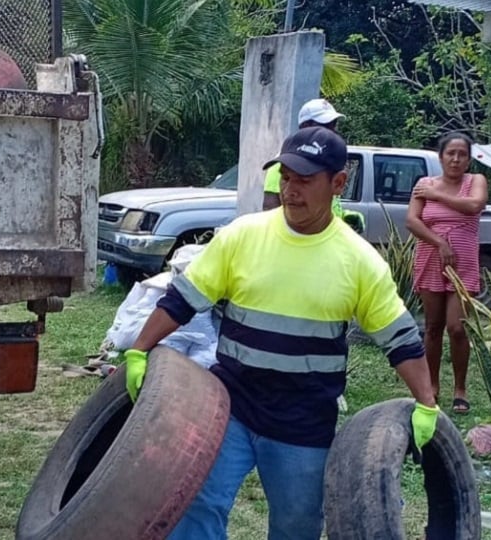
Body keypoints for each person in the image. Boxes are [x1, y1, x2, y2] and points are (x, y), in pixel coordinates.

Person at [123, 126, 438, 540]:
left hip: (303, 422)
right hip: (230, 406)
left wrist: (427, 404)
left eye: (305, 180)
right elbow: (182, 299)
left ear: (338, 183)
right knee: (196, 505)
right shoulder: (242, 235)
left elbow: (400, 341)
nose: (291, 190)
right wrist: (139, 350)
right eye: (286, 177)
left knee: (296, 527)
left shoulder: (360, 261)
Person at [405, 132, 488, 415]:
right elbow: (412, 220)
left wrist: (437, 195)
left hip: (463, 264)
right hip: (430, 259)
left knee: (457, 327)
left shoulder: (474, 182)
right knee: (432, 327)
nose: (455, 159)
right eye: (450, 153)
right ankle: (432, 387)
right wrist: (439, 243)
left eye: (461, 154)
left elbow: (474, 205)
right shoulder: (423, 184)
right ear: (440, 157)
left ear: (468, 158)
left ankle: (460, 389)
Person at [263, 98, 366, 234]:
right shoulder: (282, 165)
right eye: (325, 124)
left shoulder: (328, 163)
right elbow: (270, 209)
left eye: (333, 124)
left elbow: (323, 208)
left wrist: (344, 217)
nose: (332, 130)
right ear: (305, 126)